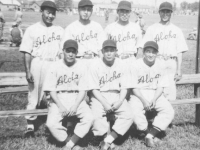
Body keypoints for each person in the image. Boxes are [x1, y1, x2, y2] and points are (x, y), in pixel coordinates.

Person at [19, 1, 64, 136]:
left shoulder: (59, 30)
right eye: (48, 12)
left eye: (53, 13)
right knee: (34, 94)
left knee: (53, 94)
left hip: (54, 63)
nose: (50, 16)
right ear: (42, 12)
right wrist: (27, 70)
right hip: (38, 63)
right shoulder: (32, 29)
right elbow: (27, 52)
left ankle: (53, 121)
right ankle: (30, 124)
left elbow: (62, 51)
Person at [44, 40, 94, 150]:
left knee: (89, 118)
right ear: (63, 51)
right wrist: (60, 106)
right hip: (59, 97)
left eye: (73, 51)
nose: (70, 54)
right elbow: (51, 90)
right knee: (51, 123)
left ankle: (71, 144)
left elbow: (82, 90)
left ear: (77, 53)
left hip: (77, 97)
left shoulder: (82, 66)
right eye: (68, 51)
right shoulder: (54, 66)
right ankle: (69, 142)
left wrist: (75, 106)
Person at [88, 39, 134, 150]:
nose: (109, 53)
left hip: (117, 95)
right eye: (106, 50)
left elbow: (124, 87)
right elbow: (94, 89)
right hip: (99, 95)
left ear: (116, 51)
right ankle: (103, 137)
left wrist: (120, 101)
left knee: (129, 116)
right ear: (102, 52)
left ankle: (107, 140)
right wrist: (104, 103)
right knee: (95, 116)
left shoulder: (122, 64)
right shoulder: (94, 64)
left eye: (112, 50)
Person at [129, 41, 174, 147]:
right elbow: (134, 87)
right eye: (148, 51)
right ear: (143, 52)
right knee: (134, 111)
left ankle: (149, 136)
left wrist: (154, 99)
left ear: (157, 53)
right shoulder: (135, 64)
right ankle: (147, 133)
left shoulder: (161, 64)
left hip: (155, 93)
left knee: (168, 111)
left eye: (153, 52)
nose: (150, 54)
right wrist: (143, 100)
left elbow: (161, 86)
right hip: (138, 93)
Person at [142, 2, 188, 101]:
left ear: (171, 13)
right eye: (163, 11)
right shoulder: (152, 28)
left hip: (171, 63)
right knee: (154, 91)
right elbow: (145, 49)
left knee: (170, 93)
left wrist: (179, 70)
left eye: (168, 12)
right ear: (159, 12)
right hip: (156, 61)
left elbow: (179, 51)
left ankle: (168, 114)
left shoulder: (177, 30)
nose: (165, 14)